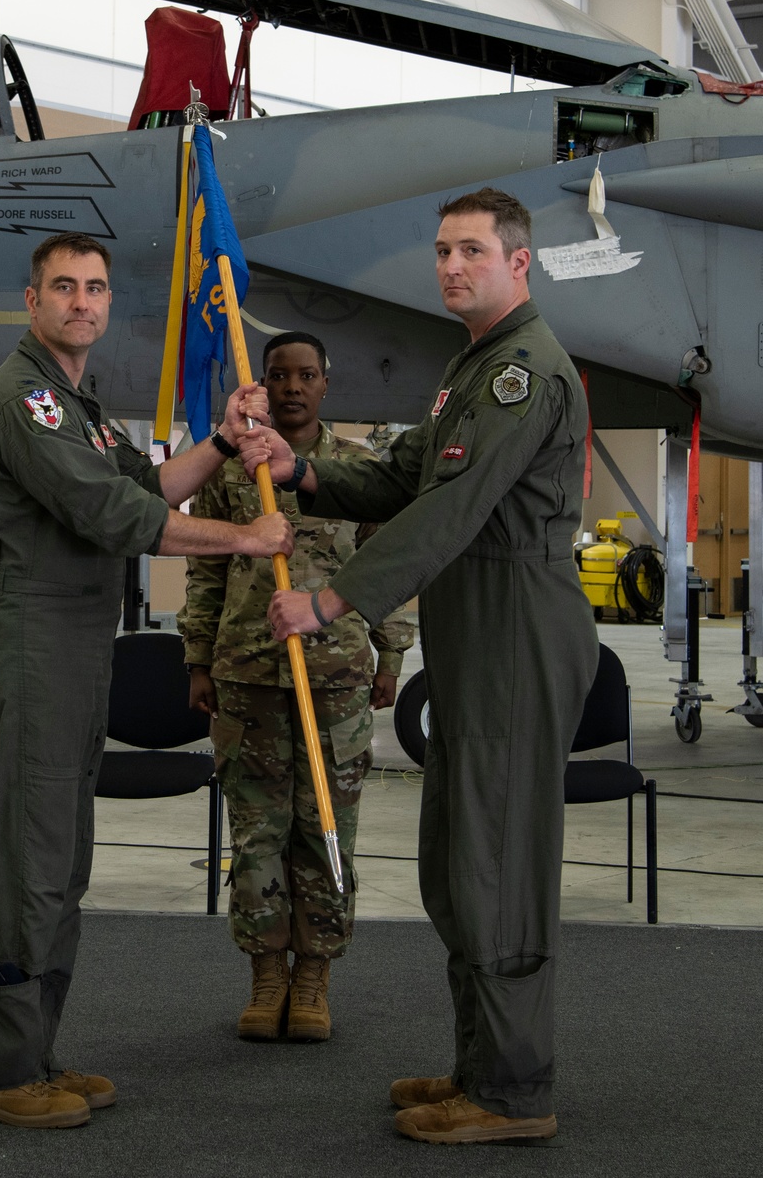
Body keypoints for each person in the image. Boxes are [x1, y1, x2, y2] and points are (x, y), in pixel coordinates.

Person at [242, 189, 597, 1145]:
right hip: (479, 626)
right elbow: (406, 479)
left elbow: (453, 511)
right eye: (442, 251)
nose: (451, 266)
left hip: (515, 624)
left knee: (498, 862)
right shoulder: (474, 367)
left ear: (518, 263)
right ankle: (482, 1065)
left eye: (472, 251)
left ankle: (515, 1092)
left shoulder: (522, 373)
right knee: (459, 858)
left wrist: (332, 599)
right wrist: (303, 467)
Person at [0, 231, 292, 1129]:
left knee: (59, 864)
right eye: (63, 287)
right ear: (33, 301)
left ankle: (31, 1054)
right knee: (25, 862)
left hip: (68, 644)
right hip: (26, 638)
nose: (82, 302)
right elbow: (116, 515)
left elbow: (149, 482)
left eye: (95, 288)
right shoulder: (25, 400)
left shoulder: (79, 404)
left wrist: (220, 439)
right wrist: (247, 540)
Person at [178, 332, 412, 1043]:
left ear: (324, 385)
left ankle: (313, 976)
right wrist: (196, 659)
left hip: (334, 672)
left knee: (325, 830)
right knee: (257, 835)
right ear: (264, 385)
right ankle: (266, 975)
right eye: (278, 375)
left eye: (306, 375)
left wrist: (390, 654)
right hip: (247, 673)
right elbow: (206, 570)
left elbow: (388, 565)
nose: (291, 387)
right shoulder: (231, 469)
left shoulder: (357, 469)